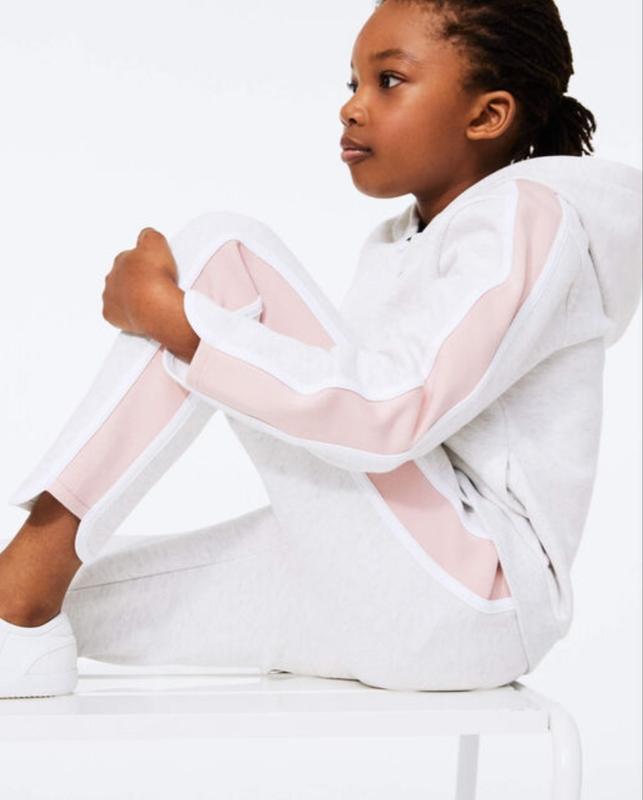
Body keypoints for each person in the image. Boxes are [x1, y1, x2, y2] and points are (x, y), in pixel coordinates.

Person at [0, 0, 640, 699]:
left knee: (223, 255)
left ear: (487, 115)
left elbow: (391, 415)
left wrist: (176, 320)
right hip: (401, 591)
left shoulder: (527, 218)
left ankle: (22, 587)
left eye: (388, 81)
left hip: (469, 589)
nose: (352, 107)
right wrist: (185, 324)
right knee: (67, 602)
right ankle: (23, 601)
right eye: (352, 83)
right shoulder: (406, 238)